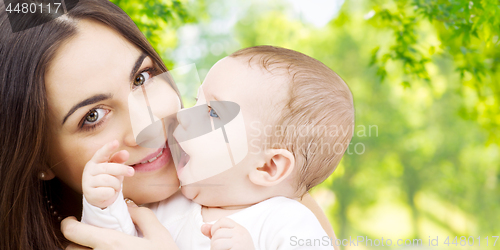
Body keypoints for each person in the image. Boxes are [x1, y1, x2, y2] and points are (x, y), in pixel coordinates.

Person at [0, 1, 338, 249]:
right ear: (38, 158)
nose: (149, 124)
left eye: (141, 77)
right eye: (92, 116)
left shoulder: (272, 199)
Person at [81, 46, 354, 249]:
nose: (184, 114)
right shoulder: (168, 205)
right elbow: (114, 243)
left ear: (267, 166)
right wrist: (104, 205)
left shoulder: (287, 223)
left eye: (212, 113)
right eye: (196, 99)